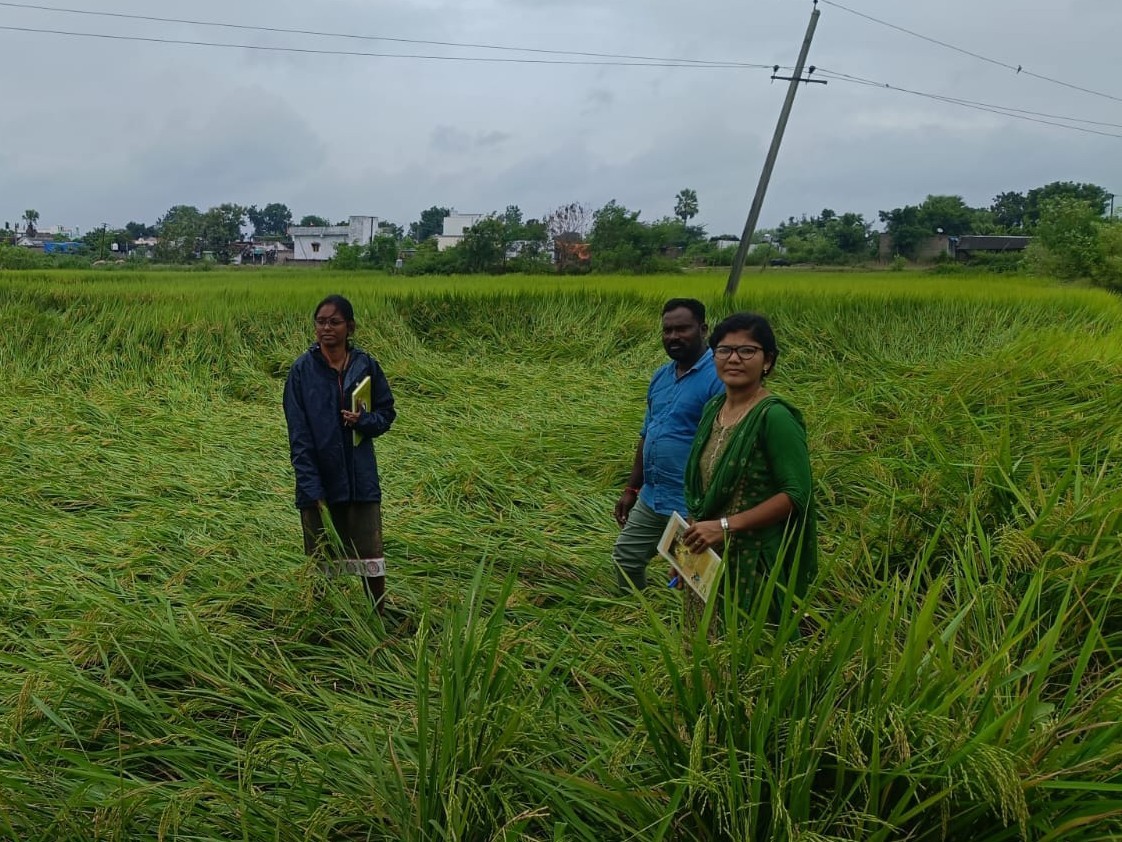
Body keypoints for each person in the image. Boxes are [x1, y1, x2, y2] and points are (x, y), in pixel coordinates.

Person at [678, 311, 817, 620]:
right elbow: (704, 486)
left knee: (750, 654)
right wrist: (687, 550)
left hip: (754, 562)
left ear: (767, 360)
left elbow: (796, 494)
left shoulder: (775, 417)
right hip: (708, 559)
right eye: (724, 350)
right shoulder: (713, 408)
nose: (734, 359)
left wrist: (725, 527)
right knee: (702, 651)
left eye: (747, 351)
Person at [283, 294, 397, 610]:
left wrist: (366, 420)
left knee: (371, 555)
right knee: (322, 559)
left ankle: (379, 613)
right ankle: (321, 617)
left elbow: (387, 413)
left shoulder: (365, 365)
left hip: (360, 478)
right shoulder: (302, 372)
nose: (326, 328)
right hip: (320, 479)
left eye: (334, 322)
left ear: (350, 327)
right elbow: (299, 437)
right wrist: (310, 488)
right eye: (321, 322)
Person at [612, 298, 723, 591]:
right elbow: (647, 433)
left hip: (691, 505)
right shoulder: (661, 376)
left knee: (691, 580)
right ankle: (635, 618)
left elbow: (721, 445)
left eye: (682, 329)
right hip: (652, 497)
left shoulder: (718, 377)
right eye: (667, 330)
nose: (673, 336)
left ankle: (677, 632)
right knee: (626, 559)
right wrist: (631, 489)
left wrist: (706, 510)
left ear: (702, 329)